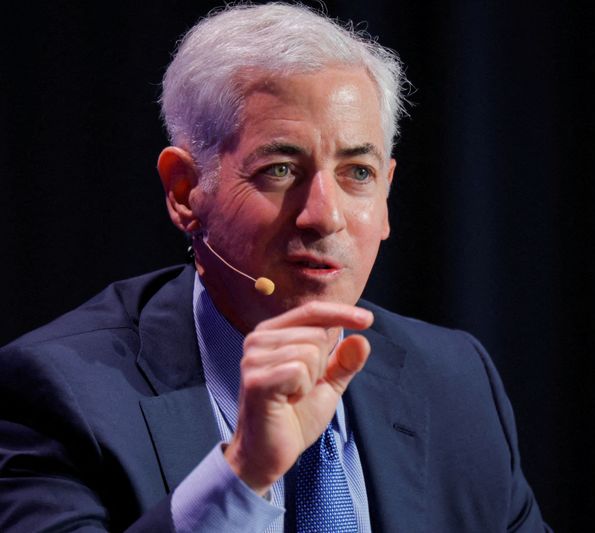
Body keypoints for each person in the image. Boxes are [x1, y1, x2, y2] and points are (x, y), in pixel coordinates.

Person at [0, 3, 549, 531]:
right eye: (281, 169)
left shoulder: (455, 381)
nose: (324, 216)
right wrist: (242, 472)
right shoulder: (58, 395)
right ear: (185, 191)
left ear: (386, 195)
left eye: (358, 172)